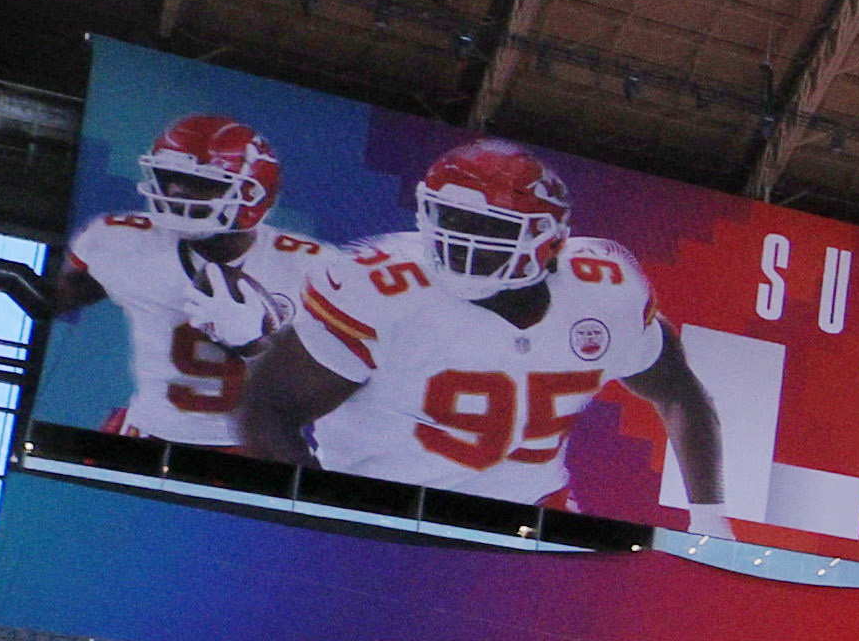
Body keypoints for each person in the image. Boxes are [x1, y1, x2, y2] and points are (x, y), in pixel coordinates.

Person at [240, 137, 729, 517]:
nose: (458, 239)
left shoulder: (605, 286)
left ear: (547, 238)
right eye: (447, 216)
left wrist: (710, 520)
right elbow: (268, 406)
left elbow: (679, 392)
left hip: (534, 516)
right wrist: (319, 510)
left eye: (488, 226)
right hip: (385, 510)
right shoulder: (378, 286)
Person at [42, 108, 322, 447]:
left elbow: (334, 387)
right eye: (168, 177)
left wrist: (255, 345)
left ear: (252, 195)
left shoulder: (312, 270)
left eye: (201, 183)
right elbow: (53, 303)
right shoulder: (118, 241)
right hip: (144, 430)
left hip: (251, 446)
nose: (176, 191)